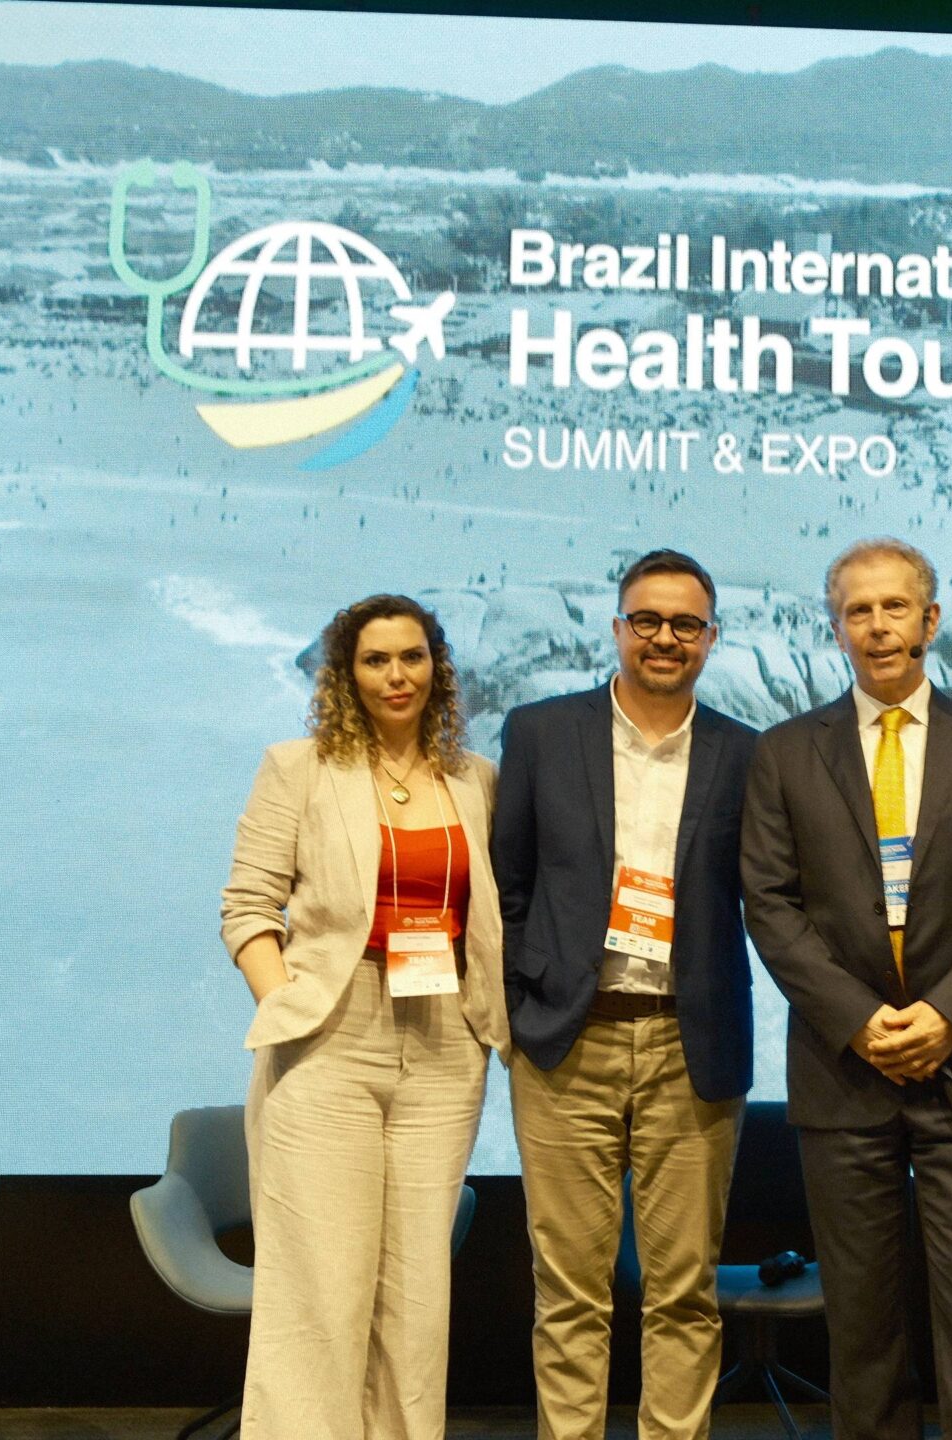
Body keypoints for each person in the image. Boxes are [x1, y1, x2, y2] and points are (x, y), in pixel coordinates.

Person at [741, 537, 952, 1440]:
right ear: (835, 627)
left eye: (894, 606)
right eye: (856, 610)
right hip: (843, 1070)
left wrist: (950, 1015)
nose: (876, 625)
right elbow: (770, 905)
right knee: (861, 1321)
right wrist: (861, 1021)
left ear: (930, 619)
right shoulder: (785, 752)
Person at [219, 593, 508, 1440]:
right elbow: (248, 907)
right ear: (347, 675)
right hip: (330, 1040)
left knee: (416, 1295)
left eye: (412, 657)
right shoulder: (297, 768)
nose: (396, 675)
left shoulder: (475, 778)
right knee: (321, 1289)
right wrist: (286, 1004)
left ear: (436, 669)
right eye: (375, 660)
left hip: (446, 1045)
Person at [493, 550, 760, 1440]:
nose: (664, 638)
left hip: (693, 1046)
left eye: (685, 624)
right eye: (646, 620)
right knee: (570, 1290)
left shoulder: (745, 753)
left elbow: (771, 897)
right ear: (617, 628)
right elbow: (508, 885)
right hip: (569, 1043)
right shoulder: (541, 733)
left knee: (684, 1291)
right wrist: (520, 1009)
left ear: (711, 639)